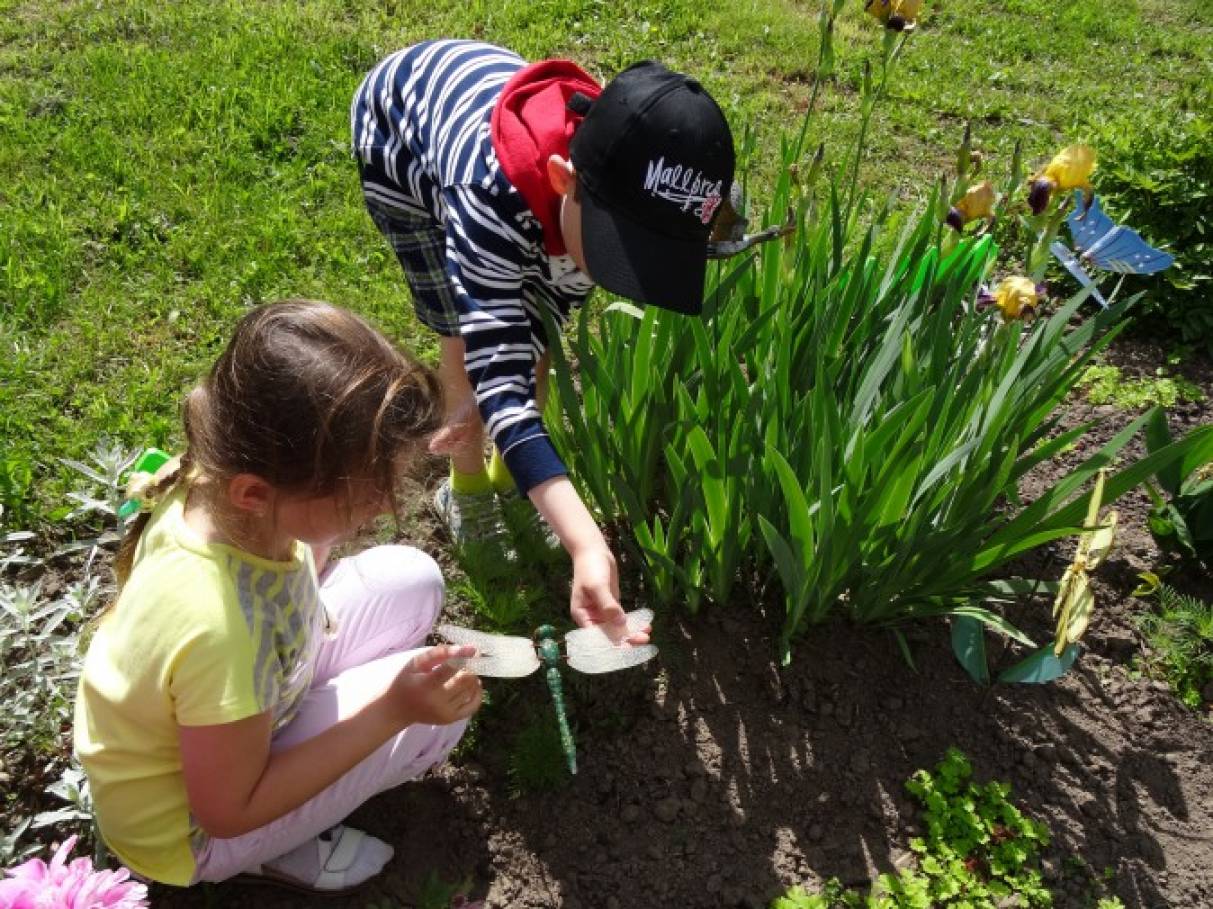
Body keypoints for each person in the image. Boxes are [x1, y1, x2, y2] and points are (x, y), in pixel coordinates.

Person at [73, 300, 484, 895]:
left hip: (229, 717)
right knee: (428, 725)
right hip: (195, 826)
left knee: (414, 579)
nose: (385, 503)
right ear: (255, 494)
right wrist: (394, 710)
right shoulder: (221, 630)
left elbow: (295, 569)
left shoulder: (214, 487)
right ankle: (269, 852)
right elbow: (227, 810)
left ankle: (303, 738)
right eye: (361, 493)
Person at [352, 40, 735, 639]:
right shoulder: (486, 201)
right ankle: (467, 486)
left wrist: (525, 356)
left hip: (525, 187)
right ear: (564, 181)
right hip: (401, 141)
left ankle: (516, 482)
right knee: (463, 329)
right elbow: (496, 364)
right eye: (618, 254)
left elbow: (544, 319)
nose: (620, 276)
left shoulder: (611, 187)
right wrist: (586, 540)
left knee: (534, 336)